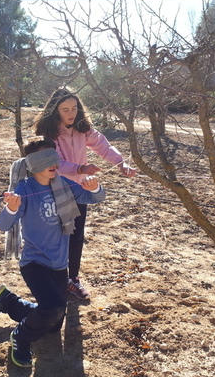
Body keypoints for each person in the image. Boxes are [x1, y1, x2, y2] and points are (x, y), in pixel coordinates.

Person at [0, 139, 106, 368]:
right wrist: (12, 208)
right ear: (33, 164)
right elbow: (3, 225)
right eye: (45, 158)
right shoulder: (25, 189)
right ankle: (20, 337)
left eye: (53, 156)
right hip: (35, 263)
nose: (53, 163)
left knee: (54, 322)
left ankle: (7, 301)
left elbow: (95, 197)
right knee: (52, 310)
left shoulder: (63, 183)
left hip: (59, 264)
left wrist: (93, 186)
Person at [34, 87, 136, 300]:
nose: (71, 113)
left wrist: (121, 163)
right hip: (55, 190)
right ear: (55, 111)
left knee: (76, 235)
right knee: (57, 236)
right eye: (65, 109)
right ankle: (54, 278)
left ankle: (72, 279)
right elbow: (55, 162)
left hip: (78, 191)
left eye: (74, 108)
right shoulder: (49, 134)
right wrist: (79, 169)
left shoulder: (83, 129)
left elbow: (103, 146)